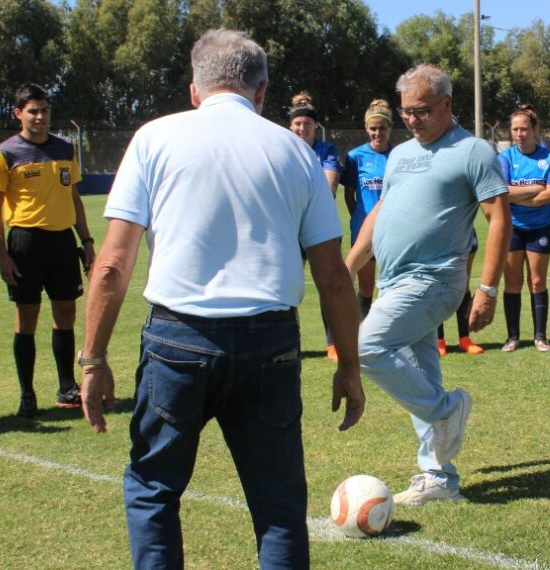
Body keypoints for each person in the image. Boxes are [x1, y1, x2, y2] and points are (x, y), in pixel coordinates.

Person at [78, 29, 365, 568]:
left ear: (194, 90)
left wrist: (92, 359)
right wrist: (349, 365)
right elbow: (333, 278)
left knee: (153, 490)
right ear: (261, 92)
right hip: (271, 344)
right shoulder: (296, 152)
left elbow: (113, 264)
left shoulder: (153, 139)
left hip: (177, 340)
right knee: (278, 509)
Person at [345, 64, 509, 505]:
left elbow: (498, 220)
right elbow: (380, 215)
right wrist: (350, 265)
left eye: (421, 111)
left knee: (366, 346)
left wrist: (488, 290)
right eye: (406, 113)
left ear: (447, 104)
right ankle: (439, 476)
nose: (412, 120)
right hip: (391, 279)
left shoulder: (474, 152)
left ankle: (447, 411)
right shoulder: (399, 154)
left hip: (435, 279)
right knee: (422, 374)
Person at [0, 83, 96, 418]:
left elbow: (74, 199)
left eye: (45, 110)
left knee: (65, 314)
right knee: (27, 318)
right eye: (33, 110)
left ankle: (66, 387)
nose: (40, 116)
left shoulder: (64, 149)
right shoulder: (4, 153)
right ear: (18, 114)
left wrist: (87, 241)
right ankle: (27, 395)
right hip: (25, 244)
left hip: (62, 242)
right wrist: (2, 254)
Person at [497, 104, 550, 352]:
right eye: (515, 129)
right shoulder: (505, 158)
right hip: (512, 228)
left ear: (534, 129)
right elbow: (503, 192)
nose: (519, 134)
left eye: (524, 129)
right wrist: (536, 189)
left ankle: (540, 337)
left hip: (540, 228)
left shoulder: (548, 157)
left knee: (537, 281)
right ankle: (513, 337)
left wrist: (520, 196)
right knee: (512, 283)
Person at [288, 92, 344, 360]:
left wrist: (296, 191)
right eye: (297, 124)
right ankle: (291, 341)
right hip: (290, 228)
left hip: (322, 228)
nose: (301, 128)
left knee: (328, 284)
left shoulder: (328, 151)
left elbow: (330, 188)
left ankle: (332, 343)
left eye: (306, 124)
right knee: (289, 286)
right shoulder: (283, 149)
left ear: (315, 126)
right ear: (290, 126)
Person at [342, 99, 393, 321]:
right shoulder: (355, 157)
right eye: (373, 128)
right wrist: (361, 218)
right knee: (365, 288)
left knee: (392, 286)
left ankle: (392, 336)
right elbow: (349, 195)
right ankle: (363, 336)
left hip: (394, 230)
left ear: (390, 128)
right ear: (366, 128)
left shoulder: (399, 155)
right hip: (364, 230)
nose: (377, 133)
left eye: (382, 128)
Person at [436, 239, 484, 357]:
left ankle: (465, 339)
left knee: (463, 286)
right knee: (438, 287)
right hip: (438, 239)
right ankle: (439, 341)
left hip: (465, 238)